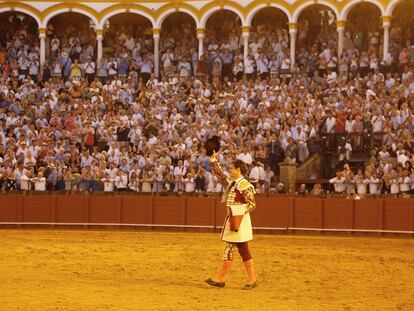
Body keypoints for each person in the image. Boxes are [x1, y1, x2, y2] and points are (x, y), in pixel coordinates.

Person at [205, 151, 257, 290]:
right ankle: (252, 279)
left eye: (232, 168)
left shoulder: (244, 185)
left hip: (238, 221)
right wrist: (214, 161)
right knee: (243, 249)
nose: (230, 170)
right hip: (235, 219)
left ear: (239, 170)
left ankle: (221, 278)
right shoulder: (235, 183)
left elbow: (251, 204)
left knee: (229, 249)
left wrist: (237, 216)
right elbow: (222, 177)